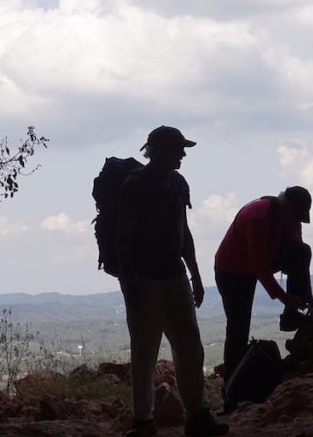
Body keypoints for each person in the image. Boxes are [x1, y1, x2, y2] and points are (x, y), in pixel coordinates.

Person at [116, 126, 229, 437]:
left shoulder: (177, 183)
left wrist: (195, 274)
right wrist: (130, 287)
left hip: (174, 277)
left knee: (190, 348)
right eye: (178, 149)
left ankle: (198, 416)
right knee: (144, 353)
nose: (182, 154)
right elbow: (122, 240)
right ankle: (143, 423)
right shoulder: (135, 185)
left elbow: (184, 231)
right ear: (161, 150)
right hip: (145, 279)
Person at [213, 186, 313, 406]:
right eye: (295, 215)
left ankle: (290, 316)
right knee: (238, 328)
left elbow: (297, 251)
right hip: (232, 270)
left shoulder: (292, 218)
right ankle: (230, 395)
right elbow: (258, 266)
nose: (296, 221)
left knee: (302, 251)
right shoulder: (258, 216)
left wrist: (306, 293)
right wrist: (283, 297)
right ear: (285, 206)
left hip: (261, 262)